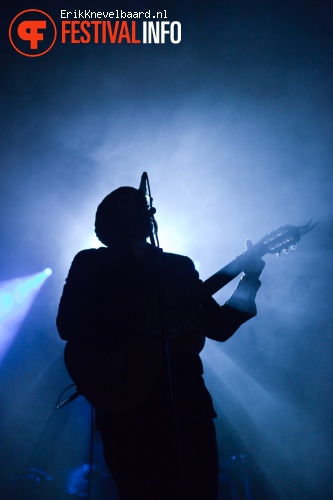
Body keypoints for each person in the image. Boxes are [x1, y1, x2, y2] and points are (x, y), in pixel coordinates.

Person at [56, 185, 265, 500]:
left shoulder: (176, 266)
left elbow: (219, 327)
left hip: (185, 401)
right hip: (126, 407)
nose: (140, 211)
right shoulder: (91, 264)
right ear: (109, 221)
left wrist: (249, 278)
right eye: (128, 207)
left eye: (140, 206)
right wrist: (140, 321)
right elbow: (68, 325)